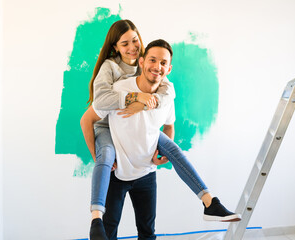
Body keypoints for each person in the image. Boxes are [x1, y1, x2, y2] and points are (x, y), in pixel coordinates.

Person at [81, 39, 241, 240]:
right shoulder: (120, 89)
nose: (157, 67)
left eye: (163, 63)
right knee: (108, 232)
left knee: (148, 233)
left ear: (169, 68)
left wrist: (160, 156)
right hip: (118, 173)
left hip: (146, 174)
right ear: (141, 62)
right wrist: (98, 156)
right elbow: (89, 118)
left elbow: (169, 126)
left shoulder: (166, 95)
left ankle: (209, 202)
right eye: (152, 60)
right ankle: (95, 218)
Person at [83, 19, 176, 240]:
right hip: (106, 126)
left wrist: (147, 101)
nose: (132, 47)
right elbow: (103, 99)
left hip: (138, 140)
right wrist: (136, 97)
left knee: (172, 149)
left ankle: (208, 199)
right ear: (115, 47)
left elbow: (165, 89)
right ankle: (95, 217)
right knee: (105, 156)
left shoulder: (147, 63)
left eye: (135, 40)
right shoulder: (111, 67)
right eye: (124, 44)